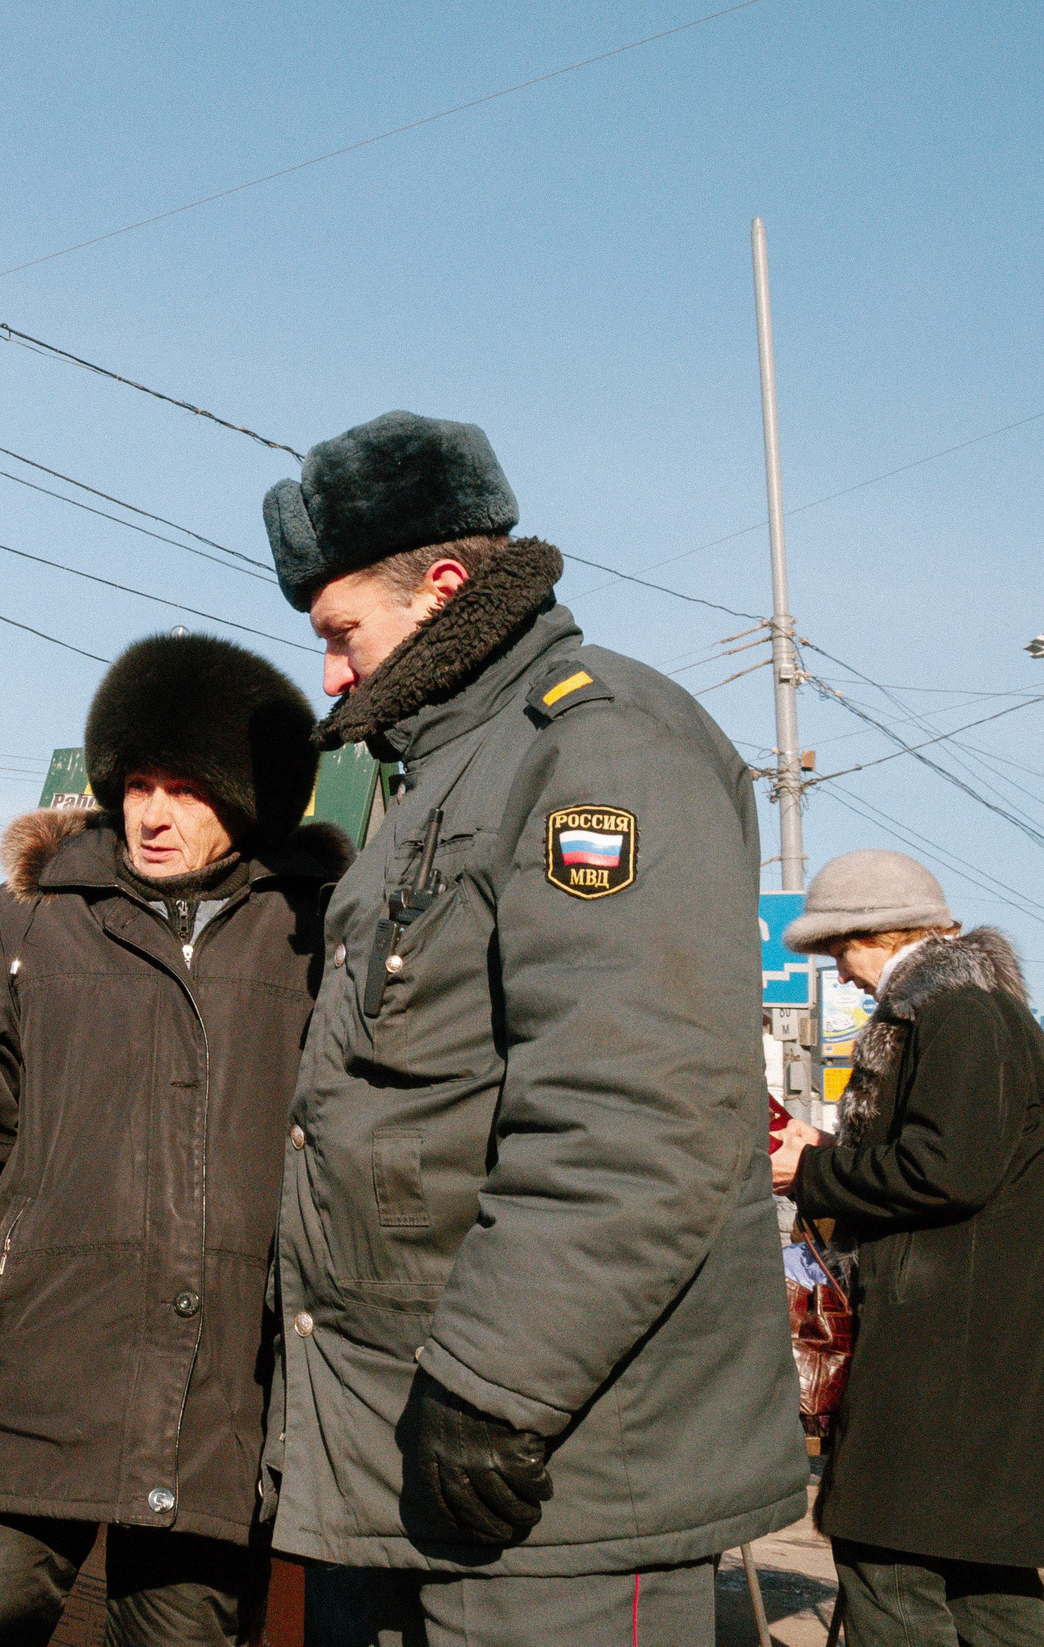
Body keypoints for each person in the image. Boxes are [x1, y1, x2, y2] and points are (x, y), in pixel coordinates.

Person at [257, 411, 805, 1646]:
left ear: (443, 587)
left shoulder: (599, 744)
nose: (330, 675)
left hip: (553, 1481)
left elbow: (635, 1108)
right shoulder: (442, 775)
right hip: (411, 1460)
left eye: (341, 633)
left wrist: (496, 1381)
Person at [0, 633, 344, 1647]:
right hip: (34, 1361)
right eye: (138, 785)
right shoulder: (29, 921)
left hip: (220, 1387)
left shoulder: (313, 937)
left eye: (185, 789)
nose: (152, 814)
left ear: (244, 800)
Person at [770, 851, 1044, 1647]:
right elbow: (957, 1157)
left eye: (837, 949)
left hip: (939, 1354)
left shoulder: (955, 1015)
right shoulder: (983, 1010)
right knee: (985, 1585)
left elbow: (946, 1170)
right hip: (979, 1350)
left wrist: (811, 1171)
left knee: (888, 1567)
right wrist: (830, 1151)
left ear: (876, 933)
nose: (840, 972)